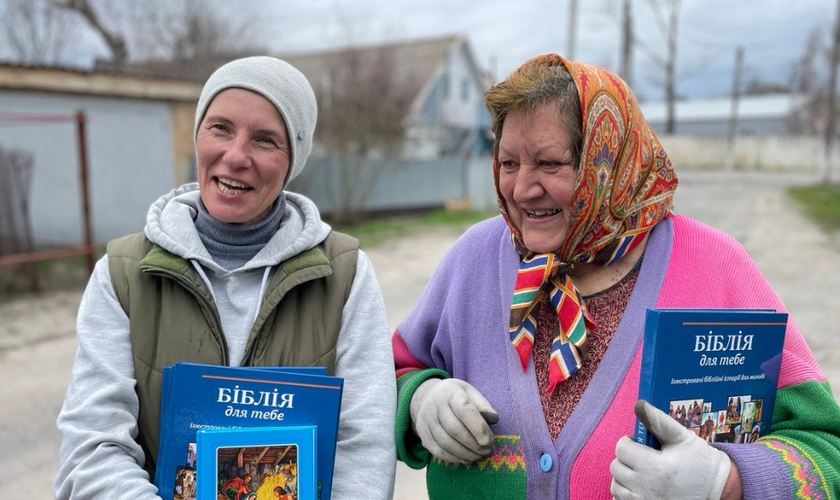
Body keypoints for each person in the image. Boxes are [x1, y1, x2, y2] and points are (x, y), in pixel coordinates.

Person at [392, 53, 840, 499]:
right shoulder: (475, 258)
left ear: (610, 164)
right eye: (508, 163)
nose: (522, 188)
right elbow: (390, 373)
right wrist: (418, 398)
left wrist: (728, 483)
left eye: (549, 164)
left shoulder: (716, 267)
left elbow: (826, 453)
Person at [54, 56, 396, 499]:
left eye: (265, 139)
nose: (235, 156)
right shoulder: (123, 275)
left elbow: (364, 445)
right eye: (220, 128)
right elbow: (93, 444)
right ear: (197, 136)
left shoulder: (344, 274)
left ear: (292, 160)